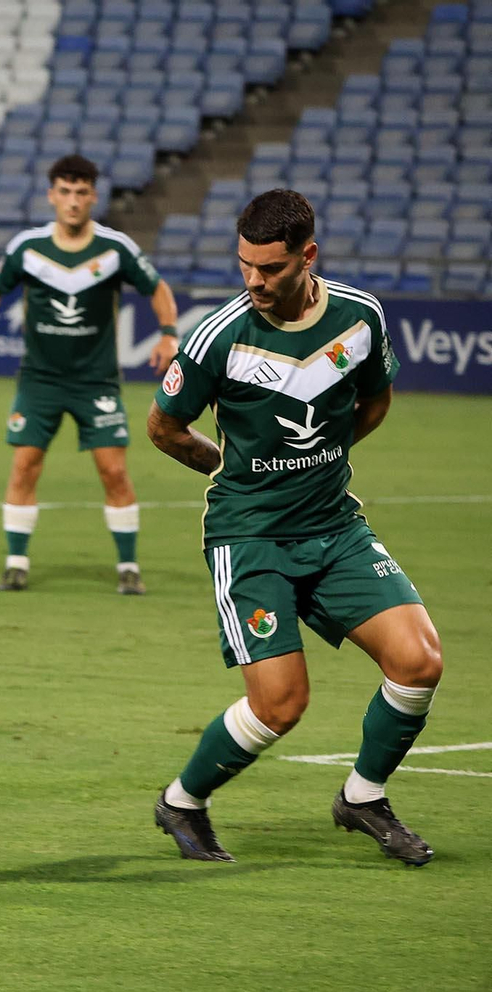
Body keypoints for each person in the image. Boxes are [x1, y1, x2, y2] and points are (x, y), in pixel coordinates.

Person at [149, 189, 442, 866]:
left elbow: (374, 400)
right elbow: (162, 426)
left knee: (419, 660)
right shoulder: (217, 337)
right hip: (250, 537)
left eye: (270, 268)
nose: (253, 280)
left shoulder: (359, 317)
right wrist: (228, 467)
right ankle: (182, 801)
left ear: (307, 256)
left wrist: (321, 460)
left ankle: (363, 795)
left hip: (335, 524)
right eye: (245, 264)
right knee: (282, 704)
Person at [0, 154, 180, 595]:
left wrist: (169, 333)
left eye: (82, 192)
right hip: (39, 380)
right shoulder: (29, 247)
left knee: (113, 471)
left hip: (96, 381)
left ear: (93, 196)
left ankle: (128, 568)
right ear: (51, 195)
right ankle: (16, 563)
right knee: (24, 467)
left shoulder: (116, 249)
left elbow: (157, 287)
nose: (73, 201)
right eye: (65, 191)